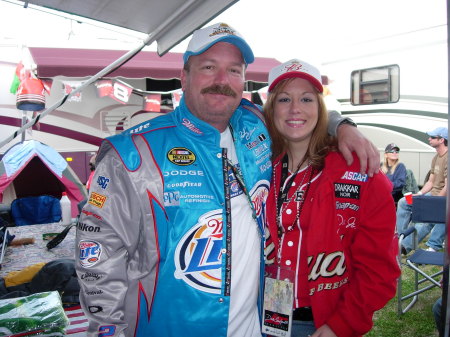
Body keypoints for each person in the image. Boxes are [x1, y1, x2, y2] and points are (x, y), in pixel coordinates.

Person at [75, 23, 381, 337]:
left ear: (243, 80)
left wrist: (343, 125)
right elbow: (97, 255)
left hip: (255, 328)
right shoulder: (133, 153)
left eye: (233, 70)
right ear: (184, 76)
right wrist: (108, 331)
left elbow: (299, 110)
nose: (222, 81)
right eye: (209, 67)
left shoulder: (255, 125)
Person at [263, 59, 400, 337]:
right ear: (271, 108)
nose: (295, 109)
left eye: (306, 99)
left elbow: (380, 269)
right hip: (256, 315)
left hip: (319, 324)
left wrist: (342, 325)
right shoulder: (258, 165)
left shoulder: (359, 170)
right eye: (284, 99)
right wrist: (342, 124)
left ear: (320, 107)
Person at [398, 126, 448, 253]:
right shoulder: (436, 157)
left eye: (432, 137)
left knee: (427, 217)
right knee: (404, 202)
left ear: (441, 140)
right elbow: (431, 182)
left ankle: (404, 247)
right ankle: (399, 237)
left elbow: (447, 187)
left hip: (442, 198)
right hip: (432, 194)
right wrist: (419, 194)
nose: (429, 139)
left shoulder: (447, 158)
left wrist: (434, 203)